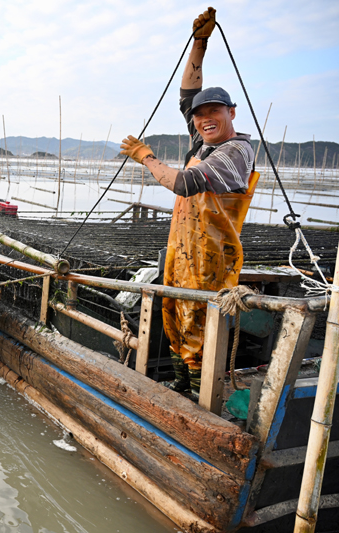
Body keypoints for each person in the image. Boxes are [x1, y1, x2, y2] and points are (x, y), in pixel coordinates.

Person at [119, 7, 259, 398]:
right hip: (183, 252)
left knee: (199, 329)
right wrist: (200, 44)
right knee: (176, 322)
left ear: (231, 112)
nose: (204, 118)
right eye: (200, 115)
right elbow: (186, 94)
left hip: (213, 258)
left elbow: (185, 183)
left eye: (214, 111)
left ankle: (200, 402)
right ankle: (179, 393)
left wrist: (147, 157)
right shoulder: (204, 140)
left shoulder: (235, 152)